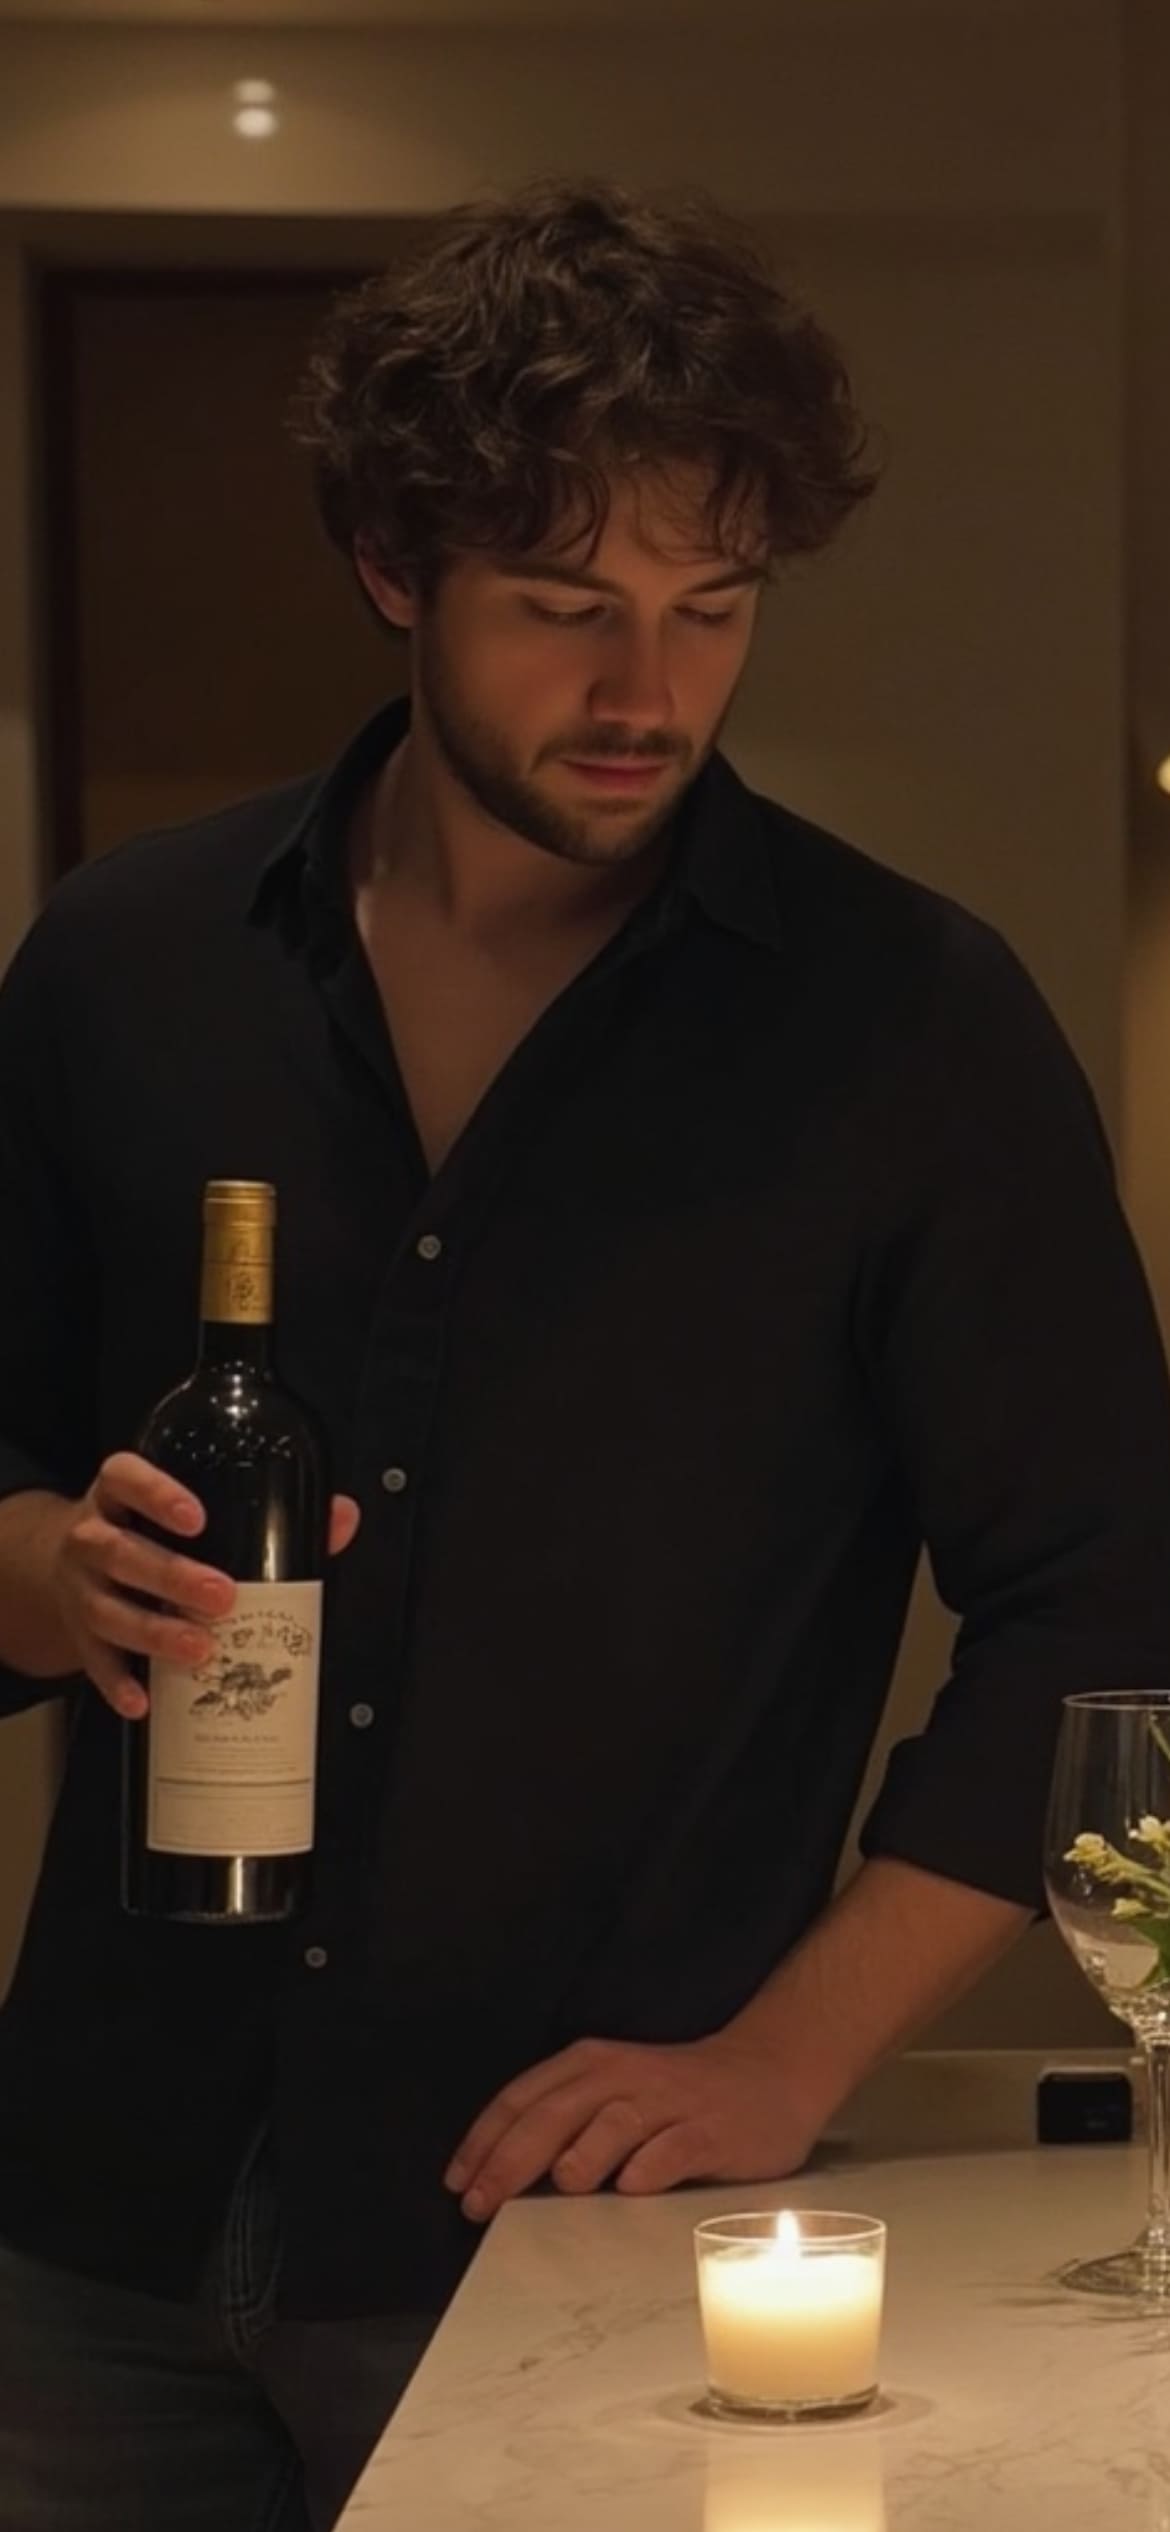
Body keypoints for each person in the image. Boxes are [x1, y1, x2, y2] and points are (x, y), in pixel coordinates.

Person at [1, 172, 1168, 2531]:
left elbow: (1114, 1597)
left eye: (709, 609)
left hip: (584, 2230)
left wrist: (778, 2055)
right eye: (564, 610)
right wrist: (29, 1573)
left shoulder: (904, 1026)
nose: (647, 692)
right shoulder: (126, 967)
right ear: (392, 576)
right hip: (86, 2214)